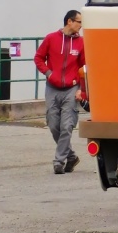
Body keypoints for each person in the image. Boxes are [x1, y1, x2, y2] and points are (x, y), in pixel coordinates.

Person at [34, 10, 87, 175]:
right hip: (52, 88)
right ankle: (71, 156)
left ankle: (58, 161)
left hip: (71, 89)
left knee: (66, 126)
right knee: (53, 125)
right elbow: (38, 58)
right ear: (69, 21)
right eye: (79, 22)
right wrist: (49, 73)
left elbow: (85, 68)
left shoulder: (81, 42)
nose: (81, 25)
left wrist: (82, 90)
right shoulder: (51, 38)